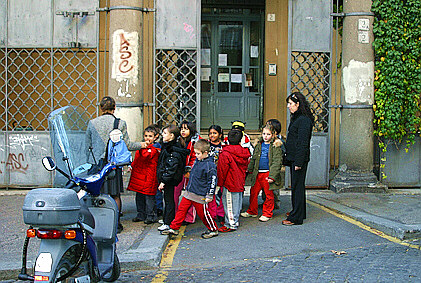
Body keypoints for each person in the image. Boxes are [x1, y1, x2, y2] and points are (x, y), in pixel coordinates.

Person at [86, 96, 142, 233]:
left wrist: (89, 164)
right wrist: (142, 144)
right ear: (114, 107)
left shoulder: (92, 123)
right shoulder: (120, 123)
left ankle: (98, 224)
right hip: (113, 165)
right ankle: (116, 224)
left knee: (97, 194)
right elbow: (127, 145)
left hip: (96, 165)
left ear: (101, 108)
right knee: (115, 195)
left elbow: (87, 146)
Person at [161, 139, 219, 239]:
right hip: (190, 192)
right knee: (181, 210)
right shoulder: (198, 160)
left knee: (204, 215)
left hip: (200, 195)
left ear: (205, 153)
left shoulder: (210, 166)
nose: (196, 156)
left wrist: (210, 195)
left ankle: (213, 229)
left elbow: (212, 181)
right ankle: (174, 228)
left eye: (198, 153)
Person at [282, 92, 314, 226]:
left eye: (290, 104)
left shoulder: (304, 120)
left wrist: (299, 162)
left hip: (298, 159)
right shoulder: (298, 118)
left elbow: (303, 142)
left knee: (297, 187)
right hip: (294, 158)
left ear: (298, 104)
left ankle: (296, 217)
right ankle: (299, 211)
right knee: (297, 186)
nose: (289, 106)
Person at [241, 125, 283, 222]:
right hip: (257, 173)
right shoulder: (259, 145)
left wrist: (272, 176)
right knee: (253, 192)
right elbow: (254, 158)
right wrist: (249, 169)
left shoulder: (275, 146)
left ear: (273, 135)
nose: (265, 136)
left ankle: (267, 213)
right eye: (264, 134)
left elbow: (277, 162)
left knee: (268, 194)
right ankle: (252, 211)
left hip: (268, 173)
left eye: (268, 134)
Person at [156, 125, 190, 231]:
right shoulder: (168, 147)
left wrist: (163, 181)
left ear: (171, 136)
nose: (162, 135)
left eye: (165, 133)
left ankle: (168, 222)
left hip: (170, 179)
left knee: (169, 200)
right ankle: (167, 218)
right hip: (168, 178)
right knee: (168, 199)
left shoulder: (173, 150)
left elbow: (171, 167)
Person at [217, 129, 251, 232]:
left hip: (229, 182)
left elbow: (222, 170)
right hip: (239, 180)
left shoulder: (225, 153)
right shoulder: (244, 152)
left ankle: (231, 223)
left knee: (229, 203)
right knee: (237, 203)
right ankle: (233, 219)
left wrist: (220, 183)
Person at [127, 124, 161, 224]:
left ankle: (151, 215)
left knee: (149, 197)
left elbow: (147, 156)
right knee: (139, 196)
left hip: (149, 175)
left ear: (155, 137)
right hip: (140, 174)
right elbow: (137, 158)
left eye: (150, 136)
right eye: (146, 136)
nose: (147, 138)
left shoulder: (155, 148)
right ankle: (141, 214)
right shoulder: (142, 146)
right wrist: (132, 166)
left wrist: (143, 147)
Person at [174, 121, 201, 224]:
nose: (183, 131)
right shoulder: (178, 140)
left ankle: (189, 217)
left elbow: (196, 157)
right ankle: (176, 215)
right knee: (175, 193)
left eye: (186, 129)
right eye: (181, 129)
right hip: (178, 170)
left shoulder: (196, 142)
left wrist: (190, 169)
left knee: (191, 195)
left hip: (191, 171)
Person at [207, 125, 226, 223]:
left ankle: (221, 213)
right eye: (210, 133)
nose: (212, 135)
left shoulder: (224, 145)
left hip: (221, 172)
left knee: (222, 193)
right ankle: (211, 213)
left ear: (220, 134)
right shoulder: (206, 145)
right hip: (209, 173)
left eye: (214, 133)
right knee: (211, 193)